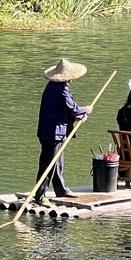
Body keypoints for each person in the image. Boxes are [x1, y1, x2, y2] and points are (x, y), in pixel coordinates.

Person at [36, 57, 92, 201]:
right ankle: (40, 196)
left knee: (58, 162)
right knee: (48, 164)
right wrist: (85, 110)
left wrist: (78, 117)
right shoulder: (60, 89)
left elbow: (63, 110)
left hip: (56, 131)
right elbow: (72, 108)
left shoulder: (56, 87)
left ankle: (61, 190)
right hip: (51, 132)